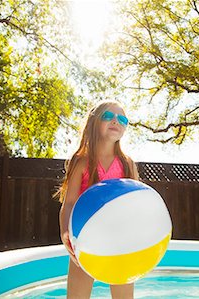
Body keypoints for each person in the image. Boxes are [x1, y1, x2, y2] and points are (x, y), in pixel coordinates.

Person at [58, 100, 139, 299]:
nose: (116, 121)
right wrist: (66, 233)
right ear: (94, 122)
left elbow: (136, 204)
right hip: (85, 238)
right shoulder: (83, 162)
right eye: (108, 116)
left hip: (120, 240)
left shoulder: (127, 164)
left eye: (122, 119)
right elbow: (69, 203)